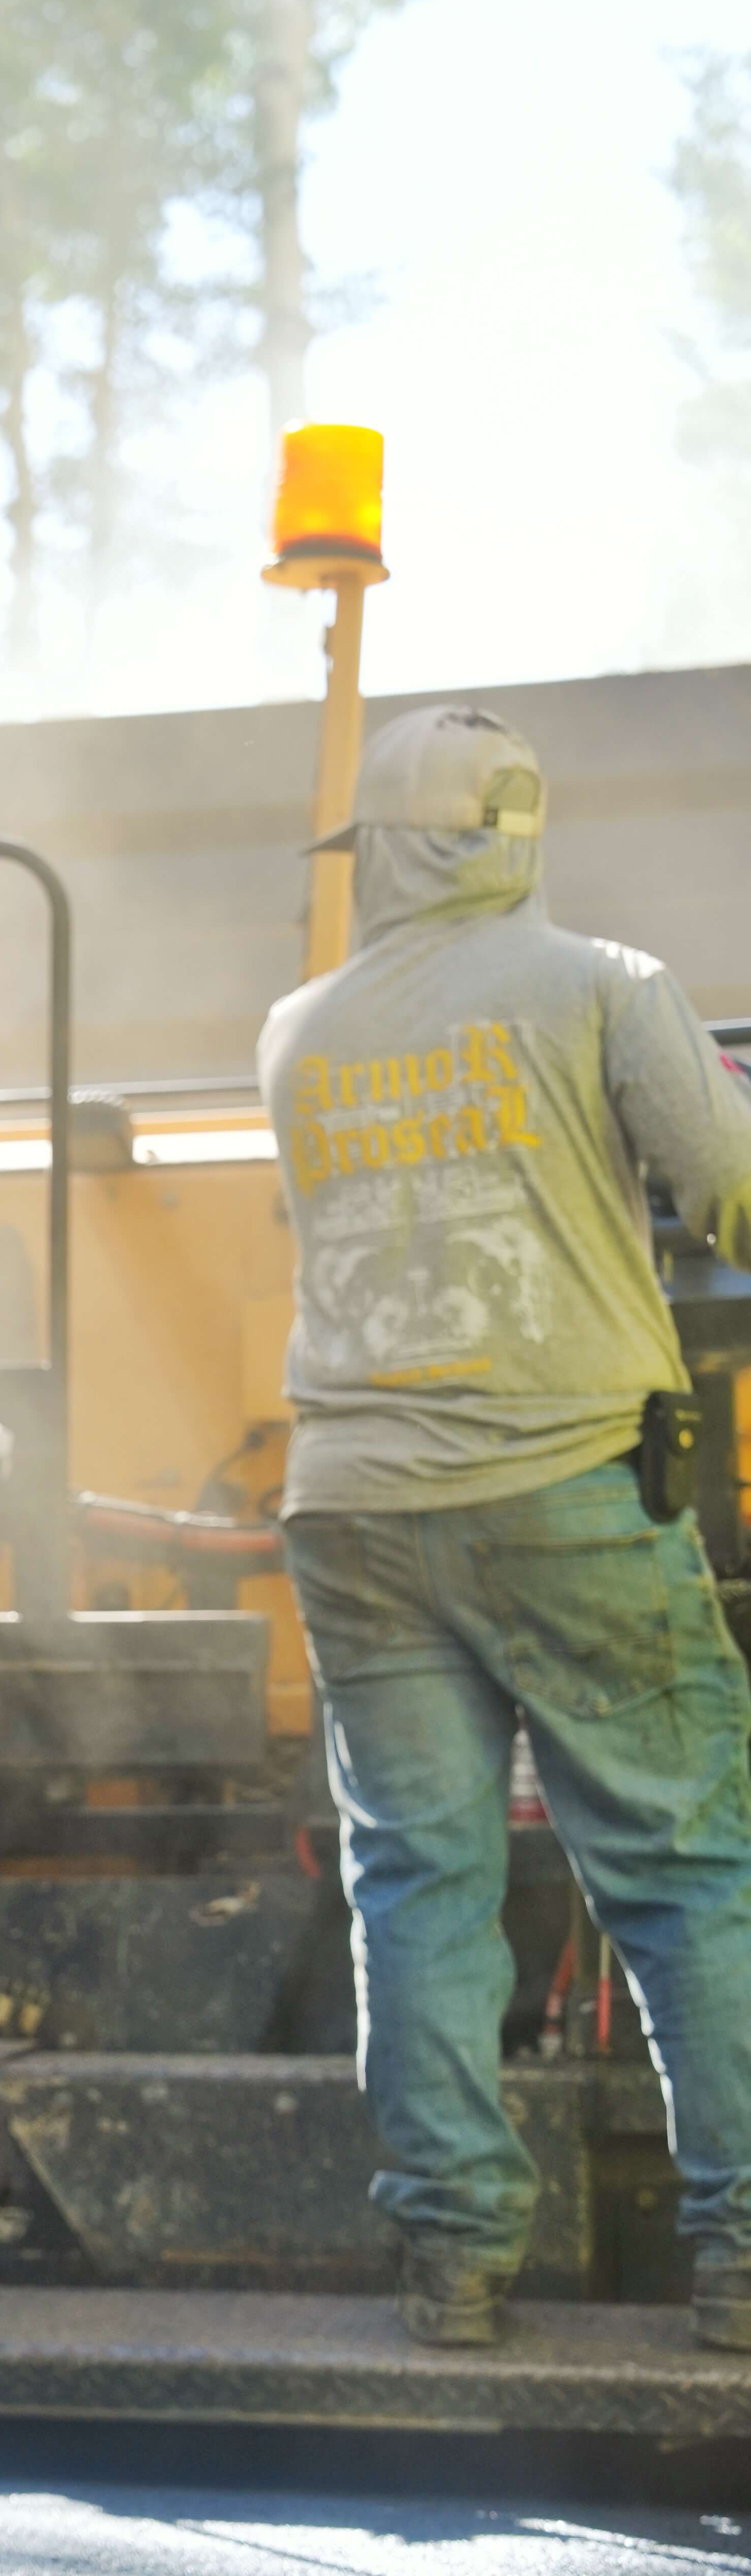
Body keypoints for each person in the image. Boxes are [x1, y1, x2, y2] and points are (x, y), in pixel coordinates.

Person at [260, 701, 751, 2350]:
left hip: (353, 1508)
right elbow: (731, 1193)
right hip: (560, 1492)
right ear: (515, 835)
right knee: (686, 1873)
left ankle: (455, 2263)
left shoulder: (294, 1033)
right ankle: (745, 2255)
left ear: (387, 850)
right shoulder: (608, 988)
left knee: (417, 1885)